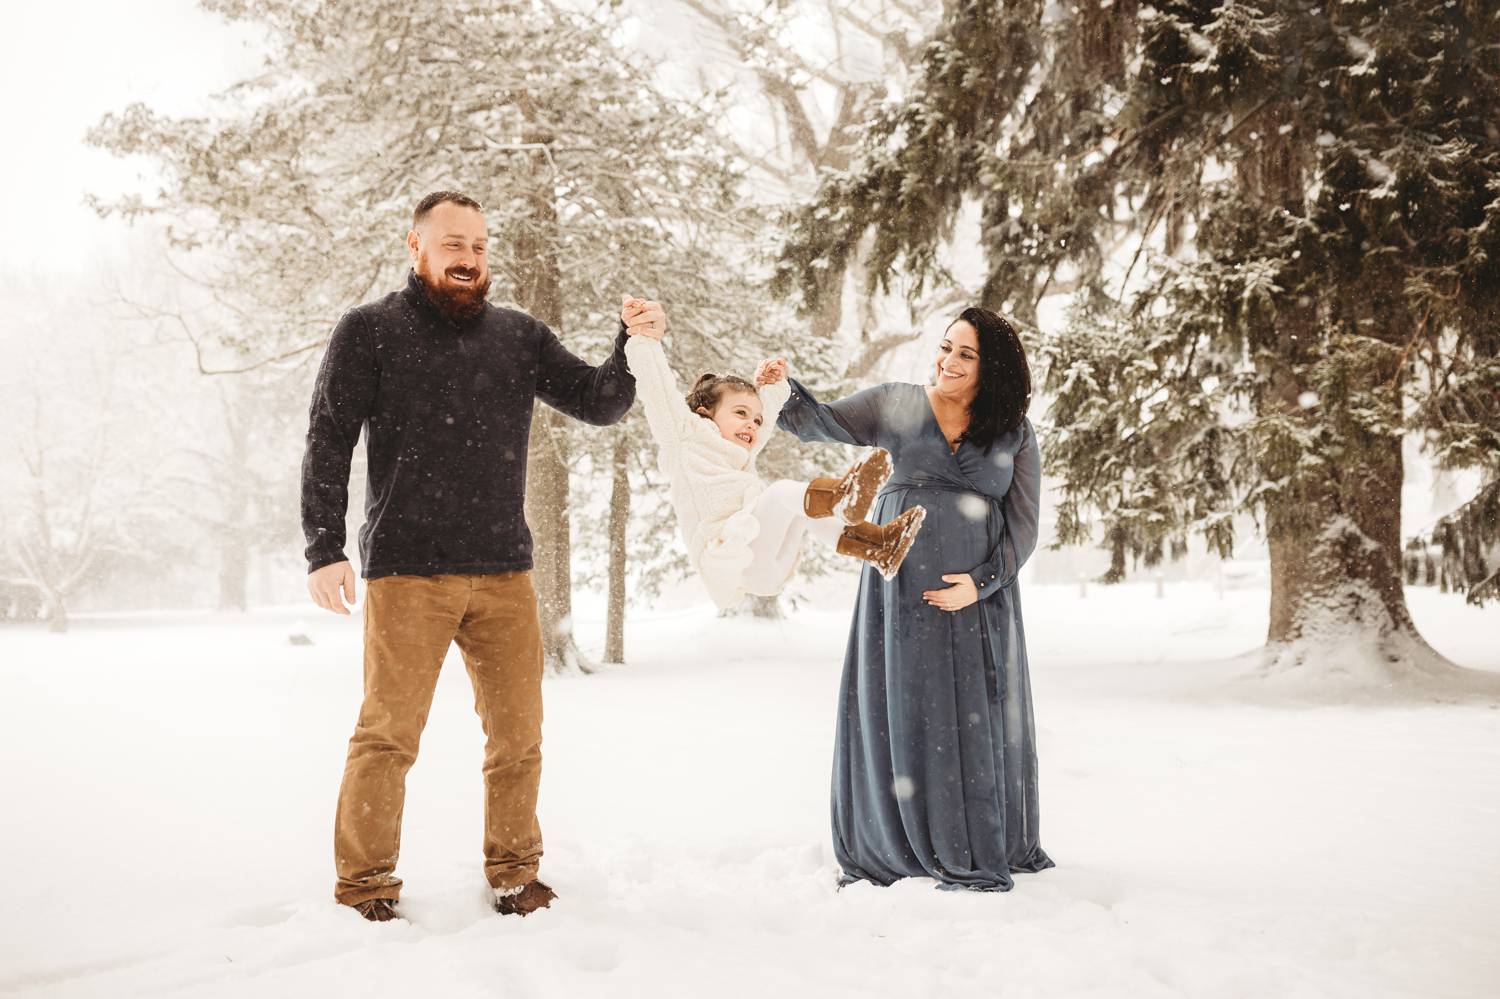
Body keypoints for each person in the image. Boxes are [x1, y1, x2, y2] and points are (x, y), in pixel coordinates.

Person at [301, 190, 663, 922]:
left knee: (519, 734)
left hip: (503, 569)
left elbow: (598, 402)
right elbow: (329, 436)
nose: (469, 258)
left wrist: (632, 345)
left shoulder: (518, 336)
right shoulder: (369, 331)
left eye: (479, 246)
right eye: (454, 244)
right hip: (406, 569)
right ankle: (366, 883)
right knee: (388, 733)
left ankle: (514, 872)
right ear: (417, 247)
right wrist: (324, 547)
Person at [777, 306, 1054, 891]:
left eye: (966, 354)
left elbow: (1024, 526)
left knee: (976, 713)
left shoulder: (1013, 430)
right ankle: (897, 840)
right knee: (903, 705)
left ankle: (974, 835)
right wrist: (779, 389)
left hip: (981, 602)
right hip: (898, 591)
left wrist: (978, 584)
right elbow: (817, 421)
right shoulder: (898, 403)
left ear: (992, 367)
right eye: (946, 347)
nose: (948, 361)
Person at [623, 322, 925, 610]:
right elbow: (657, 390)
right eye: (740, 413)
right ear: (704, 415)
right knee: (782, 493)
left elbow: (766, 420)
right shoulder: (684, 438)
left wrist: (773, 386)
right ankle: (842, 500)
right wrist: (643, 341)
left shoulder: (741, 455)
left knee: (801, 507)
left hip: (766, 565)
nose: (752, 425)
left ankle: (878, 546)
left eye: (756, 419)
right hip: (732, 559)